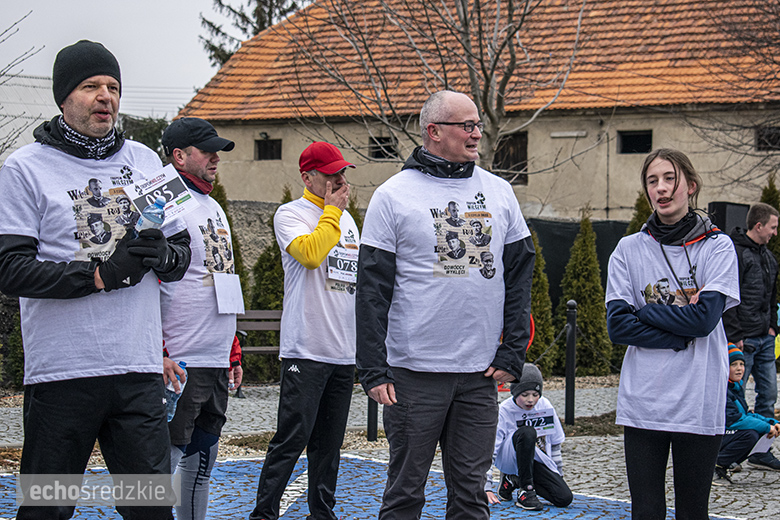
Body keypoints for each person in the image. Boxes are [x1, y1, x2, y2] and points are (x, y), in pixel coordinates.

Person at [0, 40, 192, 520]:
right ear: (64, 98)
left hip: (136, 372)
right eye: (90, 86)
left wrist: (163, 254)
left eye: (113, 87)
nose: (105, 96)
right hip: (64, 375)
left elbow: (183, 254)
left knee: (149, 512)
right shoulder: (25, 169)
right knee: (47, 509)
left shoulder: (147, 160)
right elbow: (11, 269)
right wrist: (100, 276)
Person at [356, 90, 534, 519]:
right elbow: (371, 291)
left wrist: (513, 352)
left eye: (477, 124)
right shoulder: (393, 195)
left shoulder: (499, 191)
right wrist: (373, 369)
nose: (477, 134)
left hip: (478, 374)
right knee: (405, 494)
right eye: (466, 126)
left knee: (472, 496)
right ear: (433, 132)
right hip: (414, 375)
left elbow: (519, 275)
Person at [606, 148, 740, 520]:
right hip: (643, 402)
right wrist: (679, 329)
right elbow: (618, 325)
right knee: (646, 511)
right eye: (653, 181)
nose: (661, 188)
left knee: (692, 512)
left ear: (690, 186)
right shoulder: (628, 250)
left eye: (670, 179)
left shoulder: (718, 247)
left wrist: (647, 311)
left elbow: (704, 321)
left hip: (698, 399)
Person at [249, 141, 359, 520]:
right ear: (307, 177)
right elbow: (311, 255)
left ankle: (322, 513)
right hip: (306, 348)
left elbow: (350, 280)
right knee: (291, 439)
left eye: (341, 173)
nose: (339, 180)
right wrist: (331, 212)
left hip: (343, 350)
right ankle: (264, 513)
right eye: (331, 175)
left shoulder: (345, 218)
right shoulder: (290, 214)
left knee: (329, 445)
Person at [159, 117, 242, 520]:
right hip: (180, 358)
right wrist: (156, 351)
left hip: (214, 357)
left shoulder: (212, 205)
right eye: (206, 150)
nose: (215, 157)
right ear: (179, 155)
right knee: (161, 465)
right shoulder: (165, 201)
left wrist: (233, 349)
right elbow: (147, 282)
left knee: (202, 462)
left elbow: (222, 278)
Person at [722, 202, 780, 470]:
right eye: (773, 227)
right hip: (743, 339)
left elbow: (772, 295)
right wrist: (735, 335)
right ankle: (731, 449)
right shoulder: (735, 254)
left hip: (765, 337)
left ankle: (761, 450)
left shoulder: (768, 257)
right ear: (759, 226)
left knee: (768, 393)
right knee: (737, 398)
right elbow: (729, 297)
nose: (775, 233)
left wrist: (772, 327)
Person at [486, 363, 572, 511]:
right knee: (527, 432)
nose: (531, 400)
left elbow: (555, 444)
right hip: (509, 458)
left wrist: (558, 476)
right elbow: (491, 449)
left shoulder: (545, 405)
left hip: (535, 459)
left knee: (563, 498)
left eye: (535, 395)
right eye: (524, 395)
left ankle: (512, 480)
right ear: (514, 392)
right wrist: (486, 486)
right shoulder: (505, 410)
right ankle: (525, 491)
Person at [714, 345, 780, 485]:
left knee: (758, 432)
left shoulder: (735, 387)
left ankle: (726, 463)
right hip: (716, 436)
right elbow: (734, 420)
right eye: (733, 364)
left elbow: (746, 414)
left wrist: (770, 422)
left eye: (742, 364)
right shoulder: (722, 389)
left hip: (726, 433)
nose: (739, 368)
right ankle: (716, 466)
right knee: (750, 435)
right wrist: (766, 427)